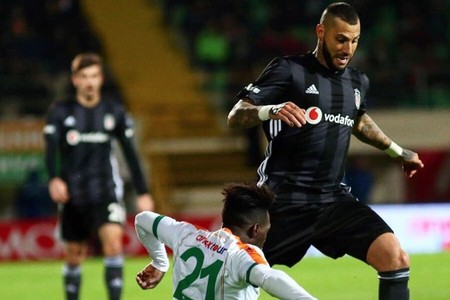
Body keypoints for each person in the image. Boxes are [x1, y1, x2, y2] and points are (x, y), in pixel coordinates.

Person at [227, 3, 424, 300]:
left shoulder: (358, 82)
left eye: (354, 40)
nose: (348, 48)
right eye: (341, 39)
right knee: (231, 272)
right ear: (321, 32)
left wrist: (397, 151)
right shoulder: (289, 70)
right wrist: (271, 110)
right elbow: (237, 115)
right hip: (283, 200)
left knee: (395, 258)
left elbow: (358, 120)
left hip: (332, 200)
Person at [43, 52, 155, 300]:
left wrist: (143, 192)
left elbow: (131, 154)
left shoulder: (113, 111)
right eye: (84, 77)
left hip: (105, 190)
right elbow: (50, 152)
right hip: (72, 193)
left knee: (113, 243)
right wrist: (54, 178)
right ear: (75, 80)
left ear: (101, 78)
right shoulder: (61, 112)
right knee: (74, 253)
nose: (89, 82)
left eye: (94, 76)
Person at [134, 183, 317, 300]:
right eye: (266, 230)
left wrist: (160, 262)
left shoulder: (186, 235)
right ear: (255, 229)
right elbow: (270, 278)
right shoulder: (240, 256)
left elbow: (143, 219)